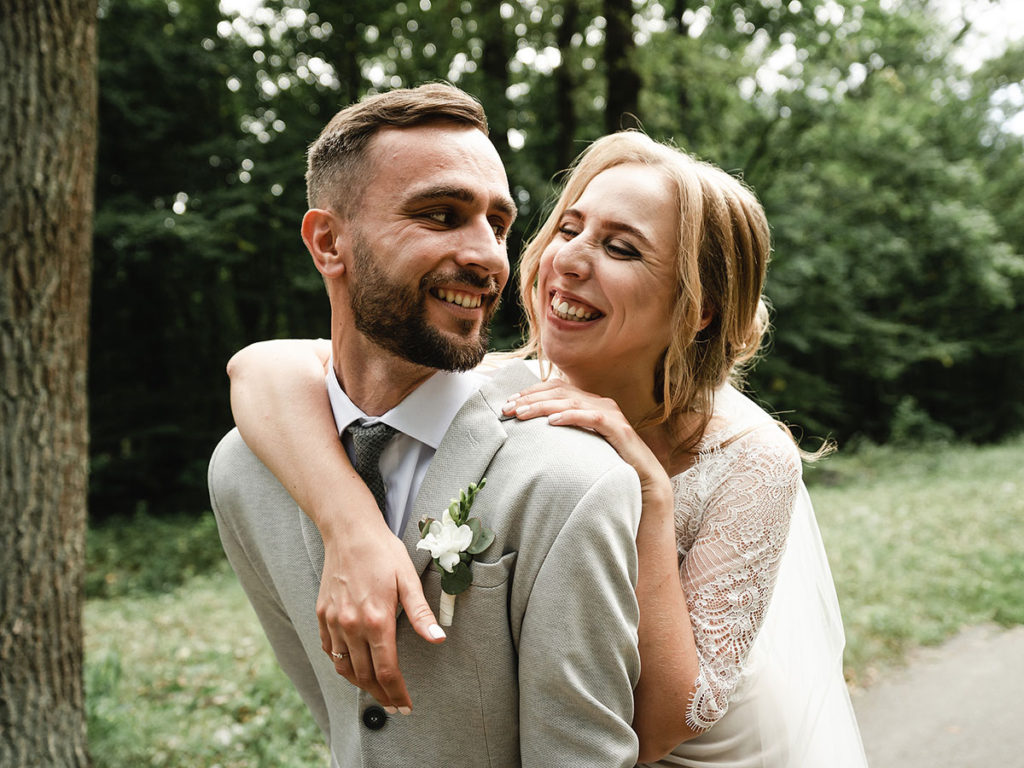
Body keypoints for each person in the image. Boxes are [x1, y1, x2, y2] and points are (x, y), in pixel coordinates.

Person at [229, 128, 870, 766]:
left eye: (620, 248)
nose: (569, 259)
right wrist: (352, 528)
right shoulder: (508, 384)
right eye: (569, 229)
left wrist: (649, 493)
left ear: (697, 307)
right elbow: (260, 370)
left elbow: (668, 722)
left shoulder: (749, 458)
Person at [208, 83, 646, 768]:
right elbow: (339, 718)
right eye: (441, 216)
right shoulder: (243, 471)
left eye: (497, 225)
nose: (489, 258)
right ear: (329, 242)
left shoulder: (571, 485)